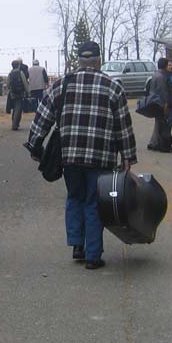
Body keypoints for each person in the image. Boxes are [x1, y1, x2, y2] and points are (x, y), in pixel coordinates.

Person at [26, 41, 137, 270]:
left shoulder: (61, 85)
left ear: (78, 61)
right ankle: (93, 256)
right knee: (94, 202)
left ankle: (77, 245)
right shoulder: (113, 87)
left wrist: (35, 145)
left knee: (74, 196)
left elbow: (42, 117)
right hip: (102, 157)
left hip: (70, 156)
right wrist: (128, 157)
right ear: (99, 61)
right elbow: (123, 127)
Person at [147, 57, 172, 152]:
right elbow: (163, 92)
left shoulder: (155, 75)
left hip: (155, 102)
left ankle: (155, 143)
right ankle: (160, 145)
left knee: (158, 124)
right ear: (164, 66)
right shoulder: (161, 77)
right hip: (160, 104)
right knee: (161, 124)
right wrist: (166, 105)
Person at [8, 58, 30, 131]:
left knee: (15, 108)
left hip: (13, 93)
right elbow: (25, 83)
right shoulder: (21, 73)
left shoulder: (10, 73)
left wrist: (10, 90)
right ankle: (15, 124)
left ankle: (14, 122)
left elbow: (8, 84)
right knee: (18, 108)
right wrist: (28, 92)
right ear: (18, 65)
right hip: (20, 93)